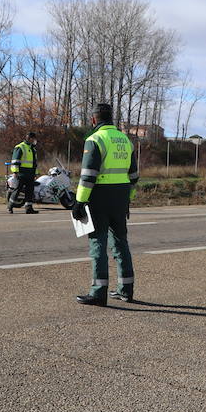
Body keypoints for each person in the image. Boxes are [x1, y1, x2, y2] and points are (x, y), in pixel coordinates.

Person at [72, 103, 139, 305]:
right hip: (120, 197)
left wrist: (79, 201)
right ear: (112, 118)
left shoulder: (94, 139)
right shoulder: (125, 140)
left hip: (99, 197)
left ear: (94, 119)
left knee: (97, 245)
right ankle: (126, 290)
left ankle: (98, 292)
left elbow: (88, 176)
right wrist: (128, 199)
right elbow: (134, 176)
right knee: (120, 243)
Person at [8, 131, 39, 214]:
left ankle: (29, 208)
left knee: (29, 191)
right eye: (34, 139)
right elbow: (15, 160)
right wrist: (15, 172)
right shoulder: (20, 147)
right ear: (30, 138)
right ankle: (10, 206)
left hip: (30, 173)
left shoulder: (33, 149)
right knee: (17, 190)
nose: (35, 141)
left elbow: (34, 163)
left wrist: (35, 173)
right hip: (21, 173)